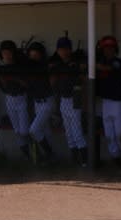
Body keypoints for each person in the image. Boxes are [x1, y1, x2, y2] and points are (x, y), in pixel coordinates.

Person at [49, 36, 88, 167]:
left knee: (77, 130)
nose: (64, 51)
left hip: (75, 98)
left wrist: (84, 101)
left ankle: (84, 161)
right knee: (69, 131)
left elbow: (84, 80)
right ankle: (75, 159)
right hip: (63, 100)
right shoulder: (57, 64)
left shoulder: (76, 62)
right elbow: (52, 83)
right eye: (61, 49)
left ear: (70, 50)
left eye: (66, 49)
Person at [0, 40, 33, 163]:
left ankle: (33, 149)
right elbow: (2, 86)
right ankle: (27, 156)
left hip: (21, 98)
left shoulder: (20, 66)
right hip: (9, 99)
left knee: (24, 130)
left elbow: (27, 84)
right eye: (4, 52)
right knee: (17, 130)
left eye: (8, 52)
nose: (6, 55)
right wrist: (4, 79)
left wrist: (13, 78)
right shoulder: (1, 68)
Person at [96, 35, 121, 167]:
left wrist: (96, 64)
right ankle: (116, 159)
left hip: (118, 102)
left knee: (120, 133)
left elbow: (107, 68)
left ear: (115, 49)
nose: (108, 50)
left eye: (111, 48)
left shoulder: (117, 62)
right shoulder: (101, 61)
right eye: (105, 48)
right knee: (109, 134)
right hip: (105, 102)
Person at [26, 41, 57, 164]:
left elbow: (53, 81)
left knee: (34, 130)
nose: (33, 57)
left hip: (47, 101)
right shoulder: (28, 68)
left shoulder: (46, 66)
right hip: (37, 102)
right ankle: (50, 159)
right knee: (45, 131)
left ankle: (50, 154)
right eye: (31, 55)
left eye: (36, 55)